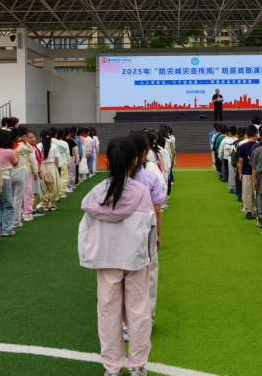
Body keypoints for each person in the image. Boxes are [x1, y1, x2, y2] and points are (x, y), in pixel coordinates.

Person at [78, 138, 156, 376]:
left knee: (108, 313)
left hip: (107, 260)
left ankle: (112, 368)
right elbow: (151, 228)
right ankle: (137, 366)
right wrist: (149, 255)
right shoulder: (142, 192)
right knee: (138, 312)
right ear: (136, 160)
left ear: (108, 162)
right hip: (135, 260)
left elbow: (86, 229)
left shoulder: (95, 193)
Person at [129, 132, 165, 323]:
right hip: (146, 231)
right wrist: (158, 235)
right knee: (148, 275)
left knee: (124, 276)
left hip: (123, 231)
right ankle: (147, 317)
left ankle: (126, 320)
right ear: (144, 153)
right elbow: (157, 210)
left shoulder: (116, 178)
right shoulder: (149, 177)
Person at [0, 130, 19, 238]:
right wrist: (17, 154)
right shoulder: (9, 151)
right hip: (5, 179)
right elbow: (15, 163)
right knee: (8, 205)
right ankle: (6, 229)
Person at [238, 125, 260, 220]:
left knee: (247, 192)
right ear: (256, 135)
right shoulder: (259, 145)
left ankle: (248, 211)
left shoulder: (243, 146)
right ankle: (256, 210)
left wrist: (240, 172)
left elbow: (240, 160)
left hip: (246, 172)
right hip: (257, 172)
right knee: (256, 192)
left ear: (246, 135)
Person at [37, 130, 60, 211]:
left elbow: (37, 158)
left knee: (43, 185)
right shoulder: (53, 146)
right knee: (53, 185)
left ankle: (45, 204)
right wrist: (56, 169)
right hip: (52, 166)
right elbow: (56, 159)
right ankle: (53, 203)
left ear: (41, 137)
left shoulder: (39, 146)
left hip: (42, 166)